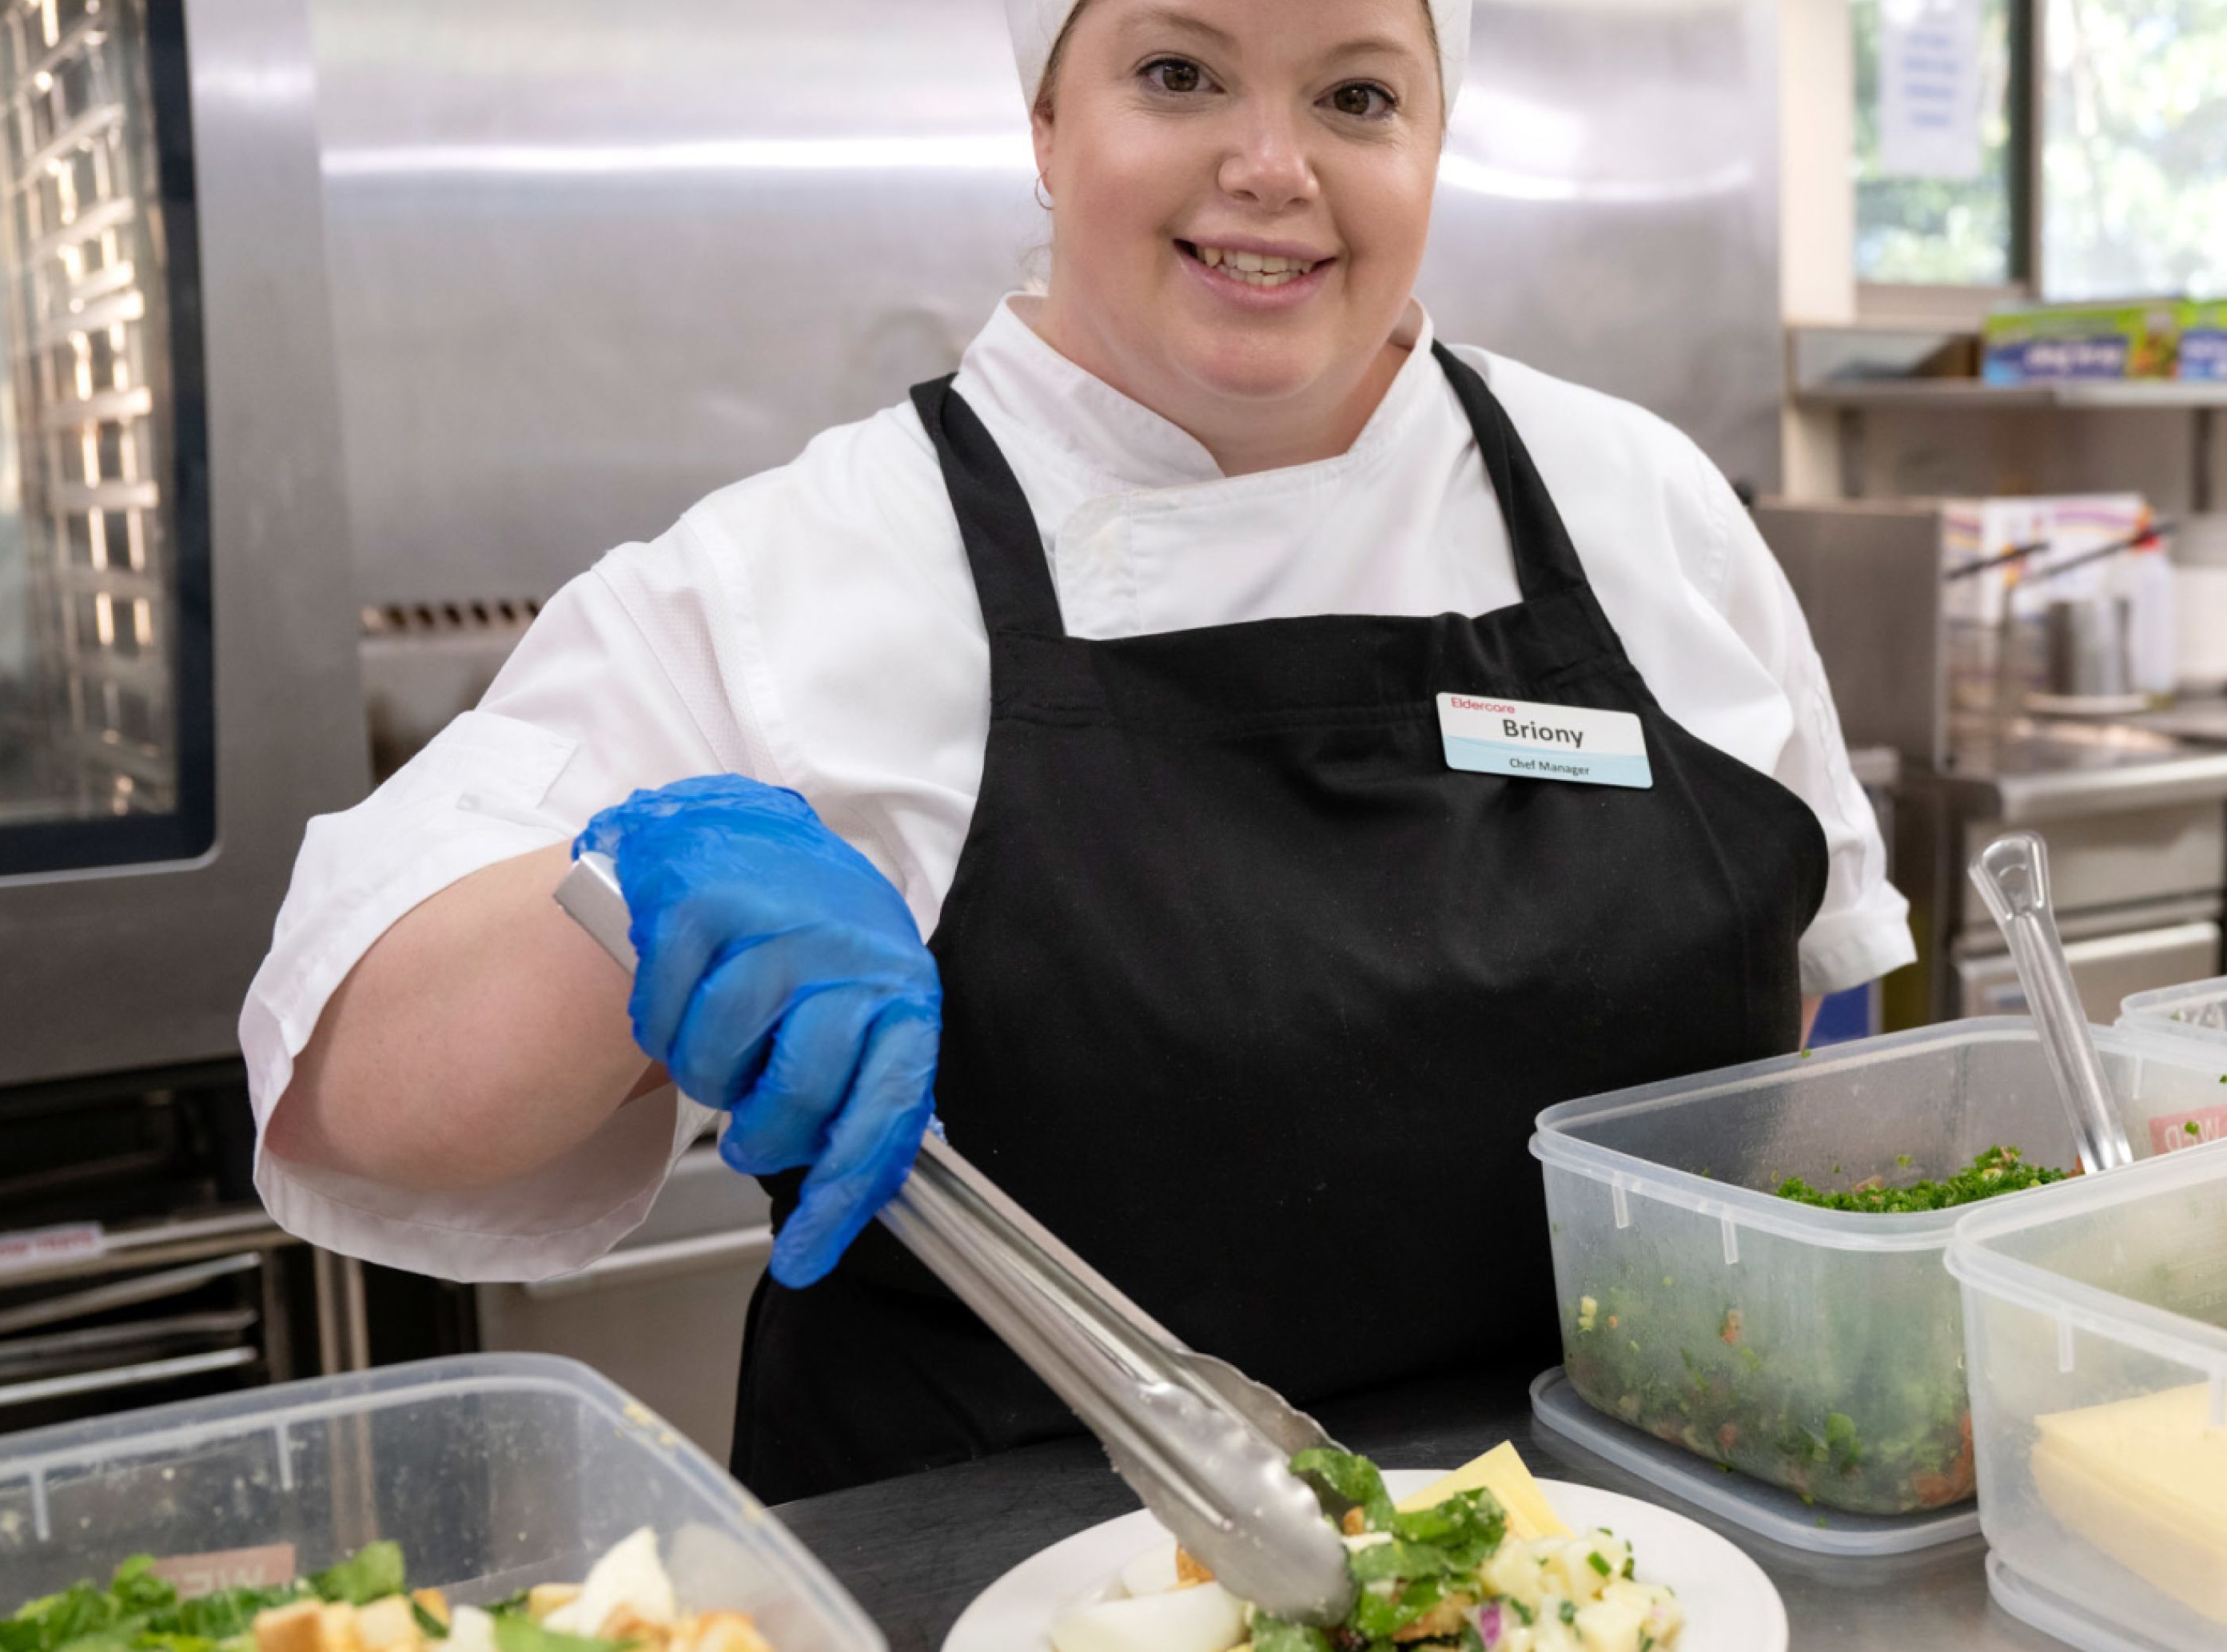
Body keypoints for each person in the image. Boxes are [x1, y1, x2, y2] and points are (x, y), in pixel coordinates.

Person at [241, 0, 1910, 1503]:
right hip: (1017, 1578)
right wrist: (621, 907)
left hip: (1646, 1549)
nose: (1272, 166)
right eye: (1178, 75)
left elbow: (1830, 991)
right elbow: (352, 1086)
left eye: (1356, 94)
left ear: (1432, 141)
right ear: (1047, 125)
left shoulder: (1645, 501)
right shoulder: (807, 570)